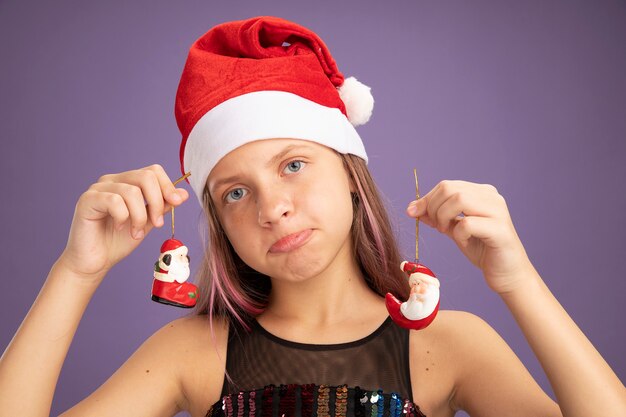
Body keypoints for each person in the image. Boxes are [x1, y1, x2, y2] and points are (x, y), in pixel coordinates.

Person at [0, 16, 624, 417]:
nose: (272, 207)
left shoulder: (448, 347)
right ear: (217, 222)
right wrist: (74, 273)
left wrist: (518, 282)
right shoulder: (192, 353)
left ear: (352, 178)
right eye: (235, 194)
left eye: (293, 165)